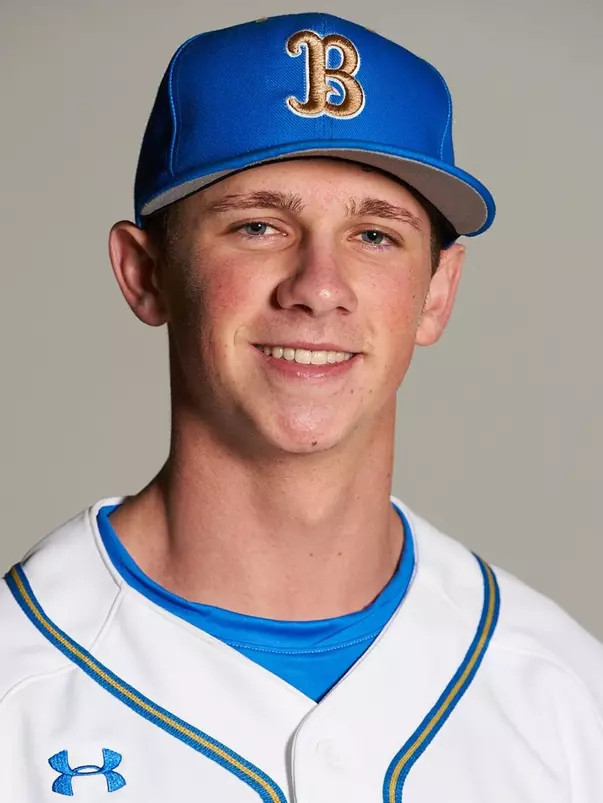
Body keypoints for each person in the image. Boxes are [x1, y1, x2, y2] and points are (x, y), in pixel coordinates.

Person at [2, 12, 602, 802]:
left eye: (375, 235)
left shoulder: (567, 696)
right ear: (145, 274)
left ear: (437, 292)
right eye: (258, 226)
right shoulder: (17, 685)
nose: (318, 288)